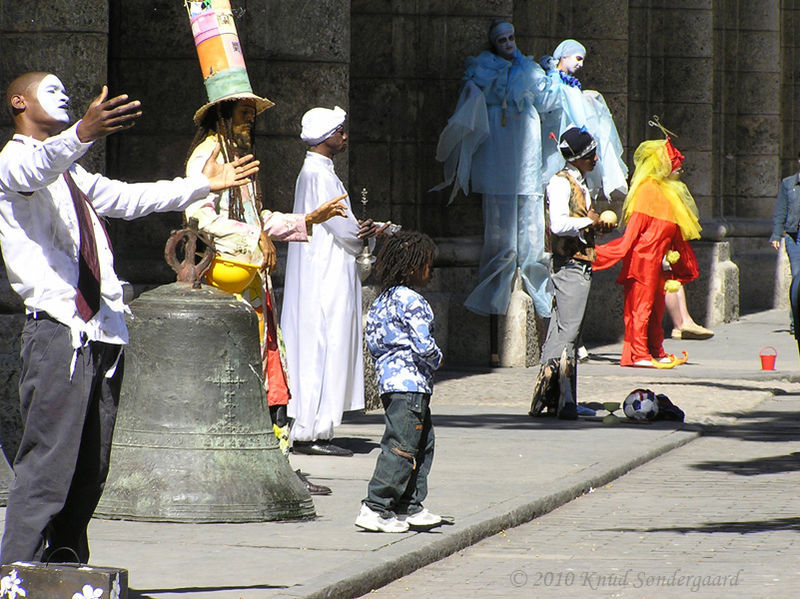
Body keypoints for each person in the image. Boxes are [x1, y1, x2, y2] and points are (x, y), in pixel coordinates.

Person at [0, 71, 258, 564]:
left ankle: (65, 563)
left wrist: (201, 185)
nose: (65, 97)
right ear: (18, 102)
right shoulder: (16, 161)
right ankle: (17, 571)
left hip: (101, 331)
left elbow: (126, 198)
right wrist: (82, 133)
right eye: (50, 91)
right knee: (49, 463)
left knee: (91, 465)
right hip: (59, 330)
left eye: (66, 91)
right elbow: (36, 169)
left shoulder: (71, 173)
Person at [184, 98, 348, 494]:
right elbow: (198, 214)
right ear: (221, 117)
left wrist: (307, 220)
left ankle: (275, 464)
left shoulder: (240, 156)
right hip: (226, 284)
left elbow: (257, 217)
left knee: (271, 372)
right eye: (243, 115)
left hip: (255, 285)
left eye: (252, 117)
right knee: (235, 376)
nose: (249, 123)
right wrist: (252, 236)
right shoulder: (207, 156)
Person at [432, 19, 562, 317]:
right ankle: (495, 291)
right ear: (495, 43)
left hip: (525, 146)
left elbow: (547, 100)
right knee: (499, 220)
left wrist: (553, 75)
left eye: (511, 38)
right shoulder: (483, 68)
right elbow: (471, 99)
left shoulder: (529, 71)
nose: (508, 44)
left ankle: (537, 290)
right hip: (498, 149)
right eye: (501, 40)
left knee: (529, 213)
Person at [281, 106, 383, 457]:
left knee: (325, 343)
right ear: (326, 137)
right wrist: (365, 234)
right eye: (340, 131)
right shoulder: (318, 175)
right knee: (322, 342)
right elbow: (342, 227)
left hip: (327, 265)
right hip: (324, 270)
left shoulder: (320, 171)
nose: (345, 137)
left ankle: (318, 428)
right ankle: (310, 430)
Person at [356, 231, 442, 533]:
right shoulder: (413, 301)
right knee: (403, 448)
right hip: (411, 386)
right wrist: (437, 359)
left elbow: (374, 341)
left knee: (420, 444)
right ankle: (376, 506)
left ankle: (410, 507)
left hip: (391, 383)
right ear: (411, 268)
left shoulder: (383, 300)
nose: (430, 272)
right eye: (426, 265)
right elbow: (424, 344)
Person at [593, 134, 700, 368]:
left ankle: (654, 349)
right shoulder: (647, 190)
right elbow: (634, 231)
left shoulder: (668, 191)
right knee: (641, 307)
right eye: (675, 164)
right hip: (643, 260)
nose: (680, 169)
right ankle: (639, 353)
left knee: (657, 307)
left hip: (659, 261)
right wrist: (613, 251)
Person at [529, 127, 613, 420]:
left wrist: (596, 224)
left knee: (559, 333)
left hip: (579, 263)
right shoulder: (560, 182)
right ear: (576, 157)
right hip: (570, 265)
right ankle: (564, 402)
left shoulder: (580, 182)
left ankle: (547, 399)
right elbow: (558, 225)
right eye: (590, 155)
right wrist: (586, 221)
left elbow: (578, 220)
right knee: (569, 335)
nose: (595, 159)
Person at [539, 39, 628, 201]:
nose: (580, 64)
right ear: (564, 57)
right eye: (578, 58)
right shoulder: (551, 80)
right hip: (553, 138)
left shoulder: (571, 84)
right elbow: (546, 103)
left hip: (569, 138)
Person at [770, 150, 800, 333]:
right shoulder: (789, 183)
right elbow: (781, 210)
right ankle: (795, 320)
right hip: (794, 236)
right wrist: (776, 235)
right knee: (797, 275)